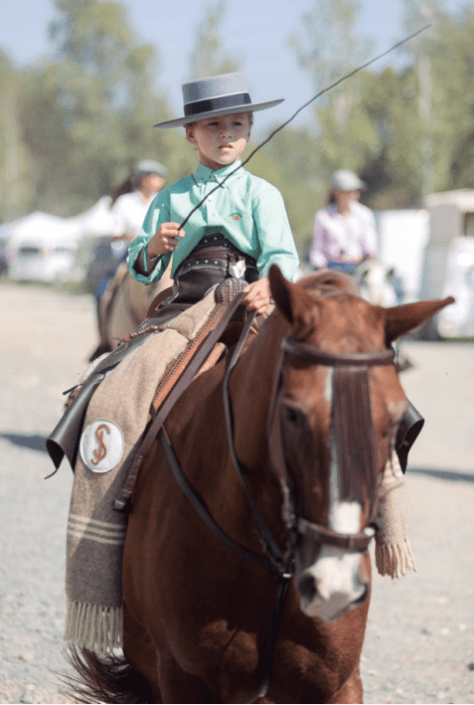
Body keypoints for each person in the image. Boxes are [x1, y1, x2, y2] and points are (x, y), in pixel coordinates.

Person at [127, 72, 299, 315]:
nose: (226, 133)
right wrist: (153, 248)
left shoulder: (264, 194)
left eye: (237, 123)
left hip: (251, 303)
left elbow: (281, 255)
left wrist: (269, 285)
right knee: (147, 353)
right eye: (213, 123)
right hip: (185, 307)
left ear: (249, 131)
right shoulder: (170, 197)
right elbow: (143, 272)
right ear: (190, 133)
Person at [92, 160, 168, 300]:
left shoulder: (161, 202)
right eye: (157, 177)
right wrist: (130, 236)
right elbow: (113, 234)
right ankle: (102, 310)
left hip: (157, 252)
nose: (161, 182)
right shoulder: (125, 202)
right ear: (144, 179)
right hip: (128, 254)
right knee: (103, 290)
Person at [310, 169, 377, 274]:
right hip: (331, 268)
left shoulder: (364, 214)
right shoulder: (323, 216)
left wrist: (369, 260)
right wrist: (321, 268)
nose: (353, 195)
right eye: (348, 192)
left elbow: (370, 249)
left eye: (354, 191)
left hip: (358, 268)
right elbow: (317, 250)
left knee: (376, 278)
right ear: (336, 192)